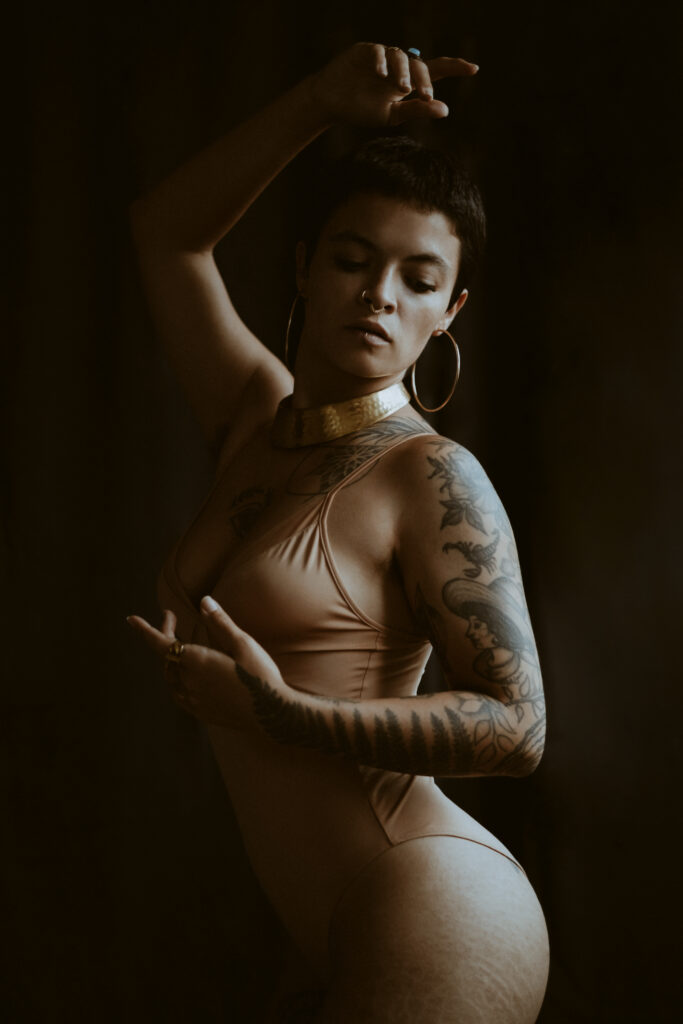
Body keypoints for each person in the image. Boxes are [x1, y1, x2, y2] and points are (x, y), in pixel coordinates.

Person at [126, 41, 550, 1023]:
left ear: (449, 311)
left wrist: (285, 714)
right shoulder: (252, 416)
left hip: (435, 905)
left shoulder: (429, 474)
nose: (378, 294)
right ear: (304, 267)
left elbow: (517, 725)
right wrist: (318, 101)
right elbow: (164, 234)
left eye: (417, 278)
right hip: (325, 922)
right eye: (353, 260)